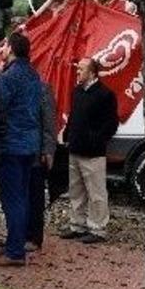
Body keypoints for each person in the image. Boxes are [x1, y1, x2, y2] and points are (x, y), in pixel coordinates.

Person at [0, 32, 43, 267]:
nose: (2, 50)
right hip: (30, 144)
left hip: (11, 144)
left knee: (12, 199)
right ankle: (17, 240)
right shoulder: (34, 75)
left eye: (4, 46)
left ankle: (14, 252)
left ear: (11, 49)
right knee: (22, 197)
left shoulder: (7, 78)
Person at [60, 57, 119, 243]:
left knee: (96, 192)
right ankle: (77, 224)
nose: (78, 72)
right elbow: (73, 116)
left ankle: (98, 228)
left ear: (92, 73)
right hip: (76, 149)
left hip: (93, 153)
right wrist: (68, 135)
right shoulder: (77, 92)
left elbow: (111, 123)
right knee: (76, 191)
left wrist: (96, 140)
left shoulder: (105, 94)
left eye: (82, 69)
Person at [26, 82, 57, 251]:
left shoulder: (42, 89)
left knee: (35, 196)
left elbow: (48, 121)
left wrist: (48, 149)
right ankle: (23, 233)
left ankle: (34, 236)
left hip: (36, 154)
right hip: (26, 152)